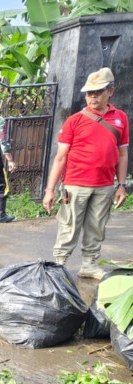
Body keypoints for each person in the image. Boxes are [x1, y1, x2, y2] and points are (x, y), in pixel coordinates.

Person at [42, 67, 129, 279]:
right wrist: (50, 190)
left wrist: (121, 185)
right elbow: (60, 157)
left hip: (105, 185)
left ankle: (89, 264)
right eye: (89, 92)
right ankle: (60, 265)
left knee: (97, 226)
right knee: (69, 225)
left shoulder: (120, 118)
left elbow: (123, 153)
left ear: (111, 91)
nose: (92, 96)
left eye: (98, 91)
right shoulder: (74, 121)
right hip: (75, 184)